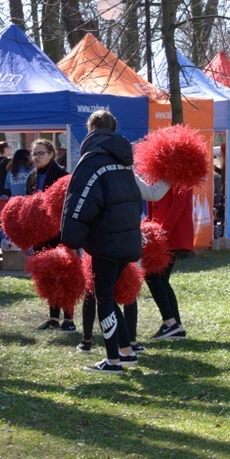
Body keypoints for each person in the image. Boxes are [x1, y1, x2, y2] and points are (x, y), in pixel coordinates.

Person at [61, 110, 144, 374]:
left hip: (106, 241)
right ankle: (126, 352)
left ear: (91, 129)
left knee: (104, 298)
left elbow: (80, 202)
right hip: (127, 238)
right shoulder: (123, 159)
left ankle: (113, 361)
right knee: (107, 295)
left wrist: (71, 238)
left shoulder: (92, 160)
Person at [77, 174, 170, 355]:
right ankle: (123, 345)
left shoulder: (96, 171)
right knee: (115, 292)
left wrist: (173, 170)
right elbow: (154, 193)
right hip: (126, 241)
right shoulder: (125, 173)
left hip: (107, 242)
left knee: (106, 293)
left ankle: (114, 349)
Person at [27, 139, 73, 333]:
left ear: (51, 154)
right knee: (46, 275)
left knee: (63, 274)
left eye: (41, 153)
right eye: (34, 154)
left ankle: (69, 320)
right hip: (40, 234)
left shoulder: (63, 176)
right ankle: (53, 318)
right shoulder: (31, 178)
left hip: (58, 232)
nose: (36, 157)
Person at [145, 186, 193, 340]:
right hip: (162, 233)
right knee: (161, 279)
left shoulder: (178, 173)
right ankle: (176, 326)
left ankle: (170, 323)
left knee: (153, 276)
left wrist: (164, 229)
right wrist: (147, 226)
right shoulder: (159, 173)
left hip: (170, 236)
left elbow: (180, 202)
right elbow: (154, 204)